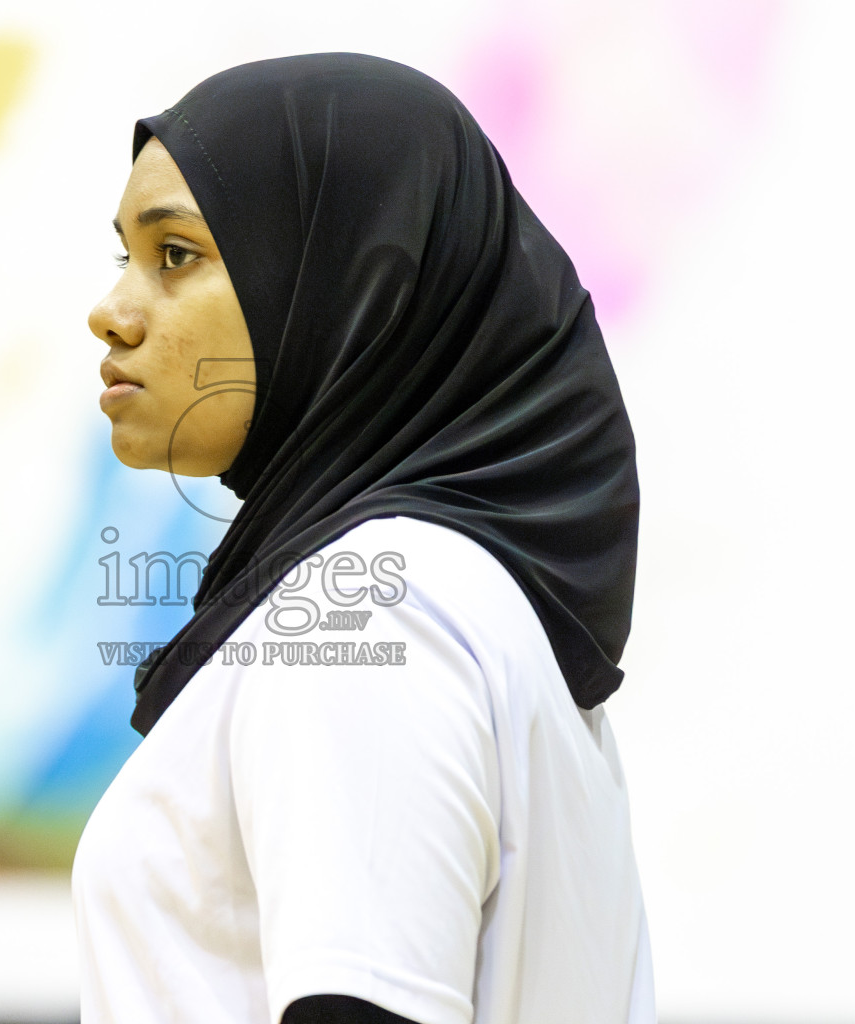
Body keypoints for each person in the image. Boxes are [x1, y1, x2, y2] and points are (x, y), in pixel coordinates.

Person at [73, 52, 653, 1024]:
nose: (113, 312)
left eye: (176, 256)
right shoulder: (458, 606)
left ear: (348, 276)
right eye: (123, 257)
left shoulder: (372, 615)